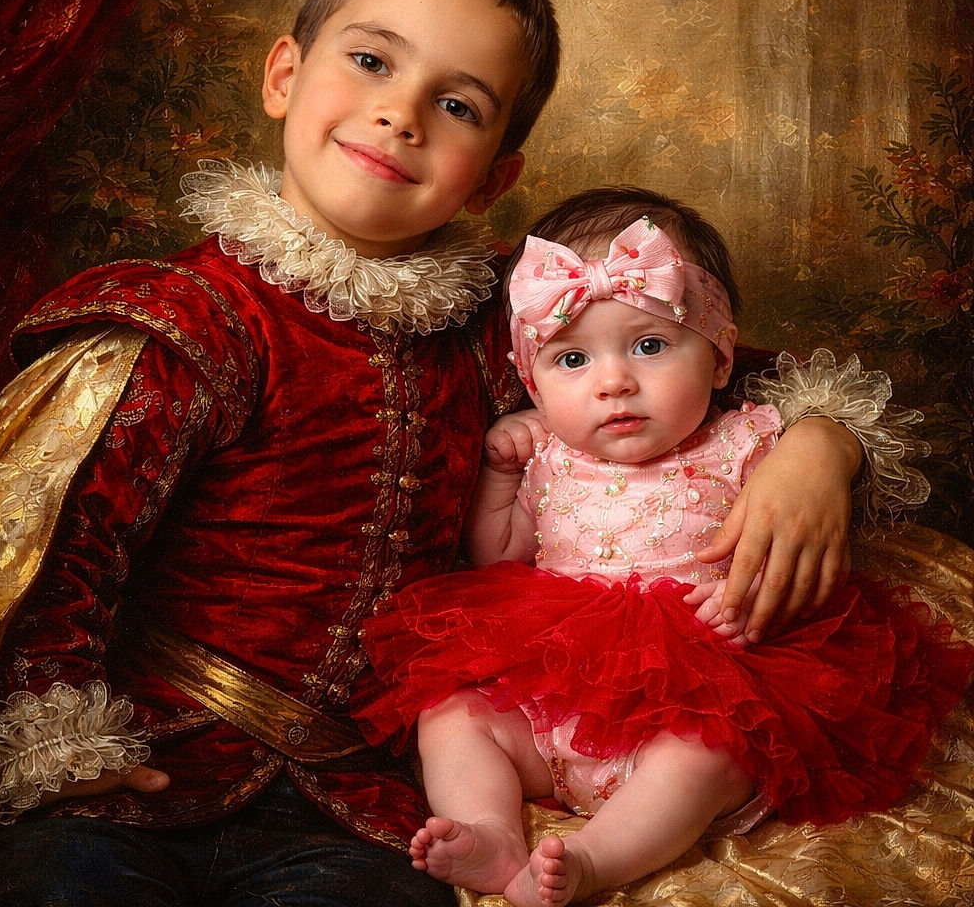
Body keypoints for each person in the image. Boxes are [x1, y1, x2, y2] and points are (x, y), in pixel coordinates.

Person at [0, 0, 881, 907]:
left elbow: (702, 364)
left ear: (494, 176)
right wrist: (55, 743)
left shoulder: (508, 319)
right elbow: (54, 544)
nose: (400, 116)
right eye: (370, 61)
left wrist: (820, 446)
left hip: (356, 804)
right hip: (142, 771)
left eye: (457, 104)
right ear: (283, 76)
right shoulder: (189, 320)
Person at [355, 187, 974, 907]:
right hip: (552, 694)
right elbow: (501, 558)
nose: (614, 382)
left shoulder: (751, 443)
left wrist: (754, 592)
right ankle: (490, 831)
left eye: (649, 346)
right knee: (452, 713)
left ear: (720, 358)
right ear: (533, 383)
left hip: (702, 688)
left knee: (710, 752)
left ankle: (594, 858)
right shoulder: (548, 454)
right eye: (572, 359)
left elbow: (794, 545)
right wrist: (500, 475)